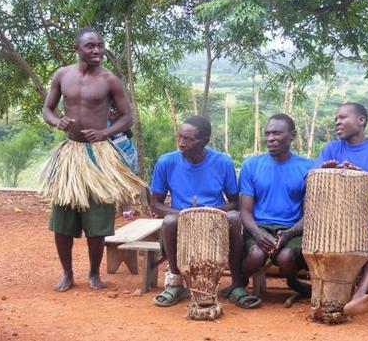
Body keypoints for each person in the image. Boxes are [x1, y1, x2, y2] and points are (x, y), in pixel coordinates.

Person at [39, 28, 145, 292]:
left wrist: (104, 132)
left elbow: (127, 117)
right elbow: (47, 109)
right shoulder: (62, 75)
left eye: (99, 45)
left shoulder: (110, 80)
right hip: (71, 156)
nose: (97, 51)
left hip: (99, 157)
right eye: (90, 46)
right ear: (77, 48)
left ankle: (94, 274)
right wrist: (57, 121)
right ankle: (67, 273)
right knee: (62, 221)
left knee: (97, 223)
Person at [150, 115, 261, 308]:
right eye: (180, 137)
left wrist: (208, 213)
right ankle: (176, 283)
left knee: (234, 218)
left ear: (205, 140)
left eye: (189, 139)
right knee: (168, 222)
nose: (181, 143)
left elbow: (234, 202)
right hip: (181, 222)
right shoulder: (166, 162)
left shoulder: (222, 162)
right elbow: (155, 204)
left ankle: (236, 284)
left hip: (214, 223)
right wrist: (185, 214)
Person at [315, 102, 368, 316]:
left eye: (343, 117)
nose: (337, 122)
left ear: (361, 121)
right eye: (336, 118)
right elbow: (309, 179)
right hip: (333, 222)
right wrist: (323, 171)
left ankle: (359, 295)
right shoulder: (331, 149)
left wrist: (363, 175)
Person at [239, 114, 313, 299]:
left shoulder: (308, 168)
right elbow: (245, 211)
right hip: (260, 227)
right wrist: (258, 234)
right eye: (268, 134)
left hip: (293, 229)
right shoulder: (251, 165)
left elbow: (310, 214)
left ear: (293, 135)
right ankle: (239, 283)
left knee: (286, 258)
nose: (270, 138)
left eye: (277, 133)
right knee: (256, 255)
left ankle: (293, 282)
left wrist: (288, 234)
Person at [108, 107, 138, 219]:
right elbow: (103, 137)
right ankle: (120, 209)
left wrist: (118, 122)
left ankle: (127, 209)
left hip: (127, 151)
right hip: (111, 152)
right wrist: (112, 123)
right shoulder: (100, 119)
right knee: (115, 181)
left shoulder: (120, 116)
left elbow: (130, 134)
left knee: (128, 181)